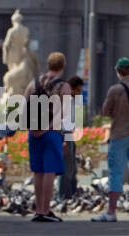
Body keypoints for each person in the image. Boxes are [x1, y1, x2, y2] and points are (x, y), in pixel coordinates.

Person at [92, 59, 129, 223]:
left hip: (119, 134)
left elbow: (106, 111)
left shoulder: (115, 90)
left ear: (118, 71)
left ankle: (111, 212)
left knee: (116, 174)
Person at [24, 52, 72, 221]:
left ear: (48, 64)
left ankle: (38, 210)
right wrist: (51, 128)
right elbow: (64, 114)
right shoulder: (63, 86)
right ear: (63, 65)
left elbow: (25, 107)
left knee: (38, 171)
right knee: (49, 171)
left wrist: (34, 128)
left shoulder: (34, 83)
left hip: (34, 132)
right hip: (52, 133)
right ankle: (45, 210)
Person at [59, 75, 84, 202]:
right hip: (64, 135)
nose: (79, 93)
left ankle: (72, 192)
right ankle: (64, 195)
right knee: (66, 167)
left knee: (72, 167)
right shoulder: (64, 101)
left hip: (70, 135)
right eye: (78, 90)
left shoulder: (74, 101)